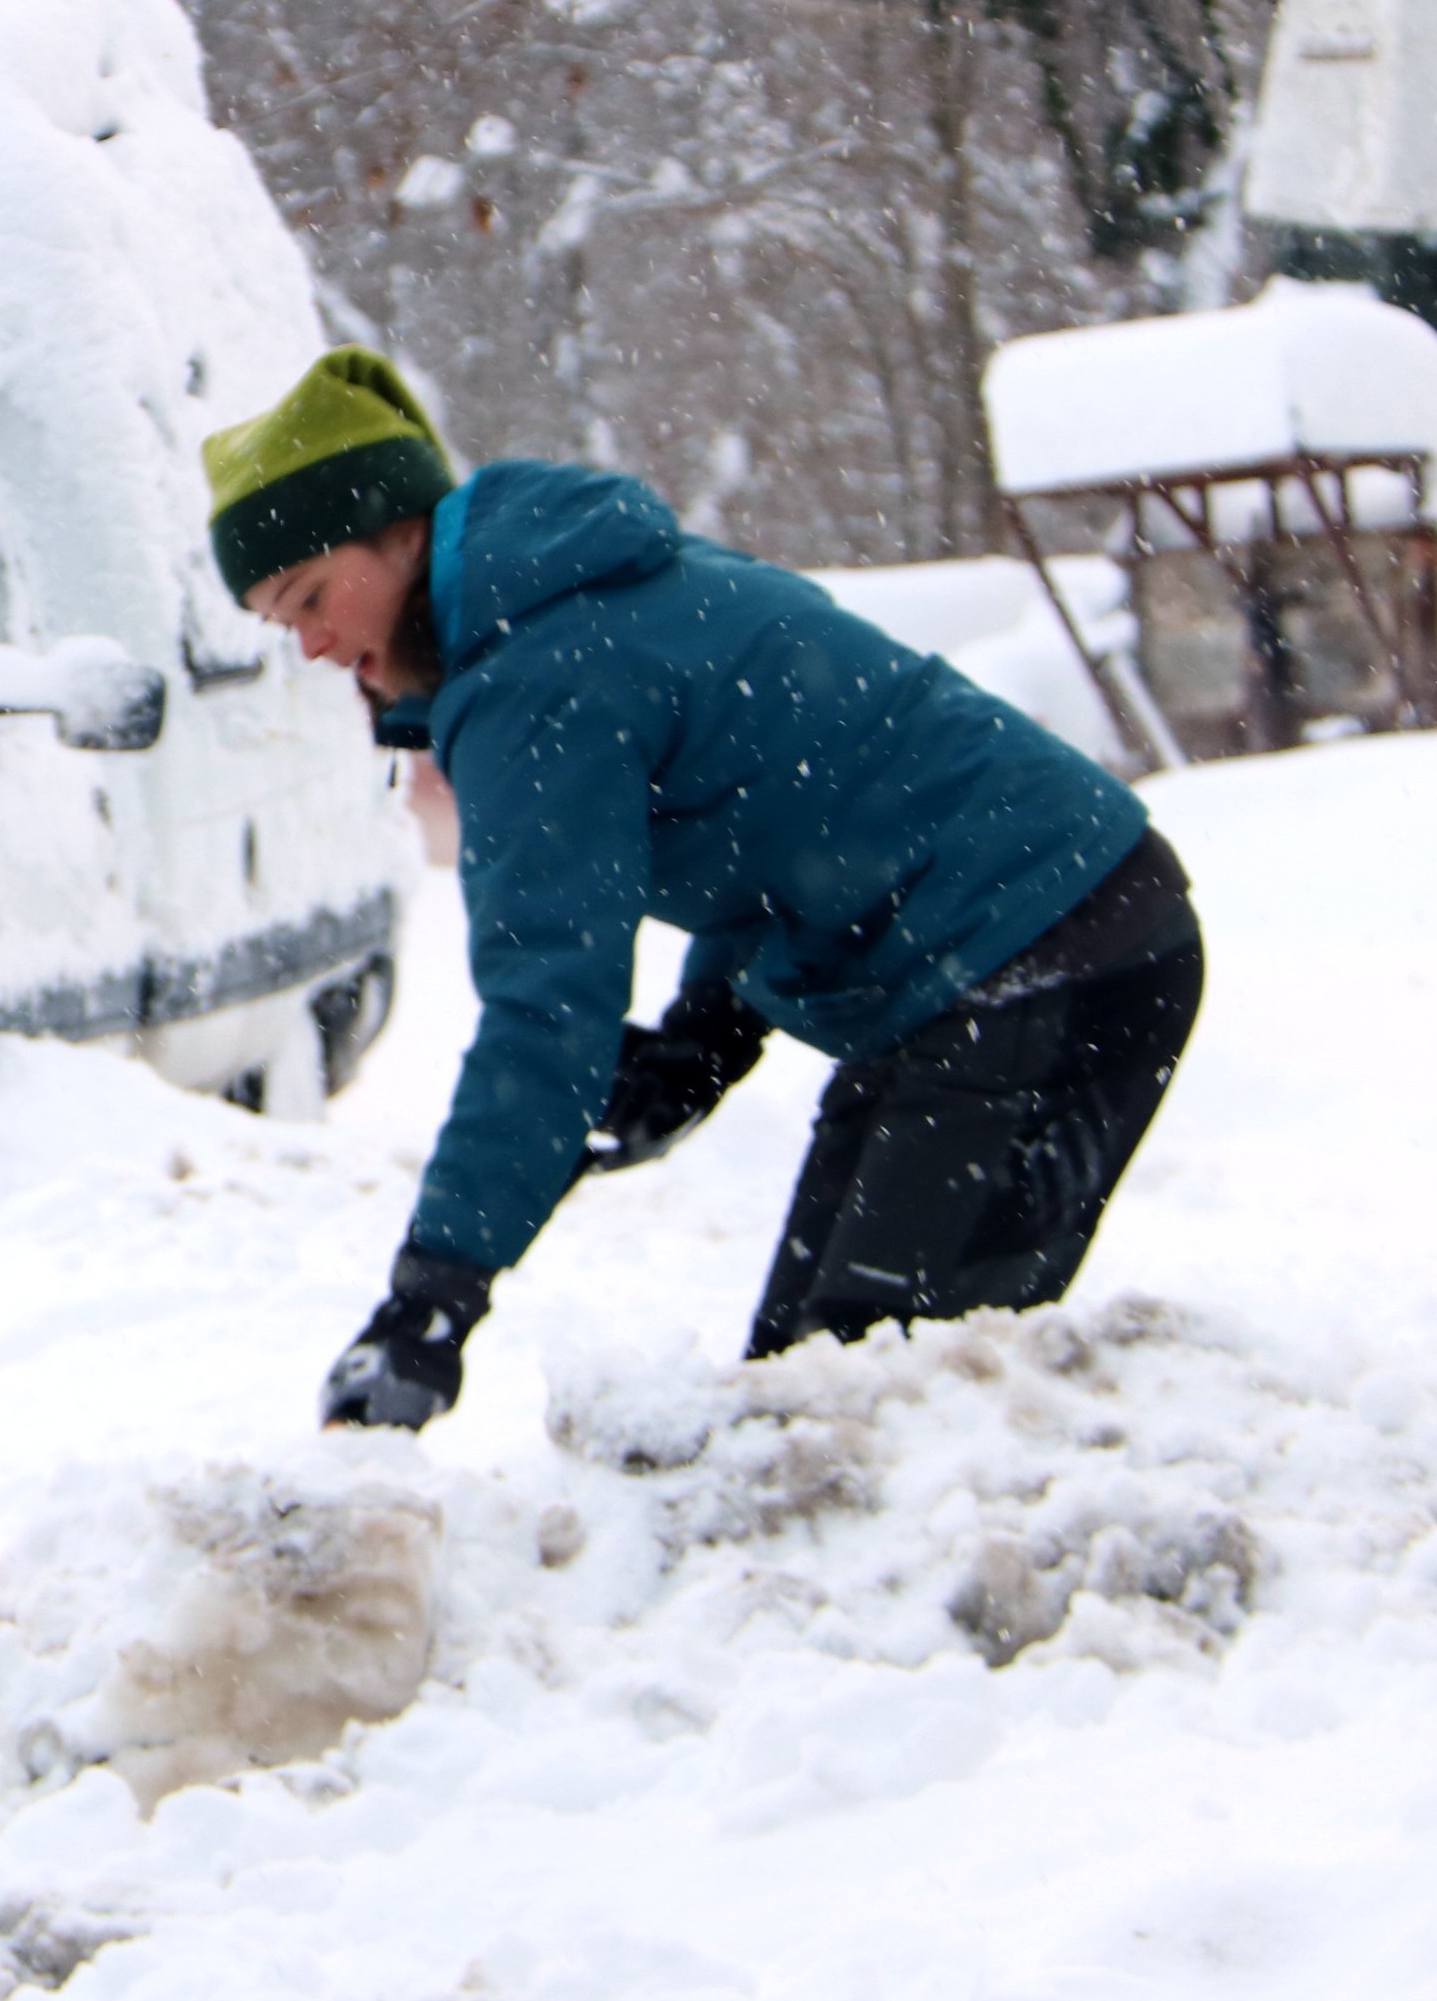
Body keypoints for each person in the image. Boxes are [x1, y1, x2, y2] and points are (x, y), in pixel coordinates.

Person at [203, 352, 1204, 1429]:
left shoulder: (535, 674)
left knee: (870, 1418)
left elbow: (547, 1011)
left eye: (311, 596)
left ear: (402, 531)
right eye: (278, 621)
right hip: (1000, 963)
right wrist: (703, 1038)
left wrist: (431, 1300)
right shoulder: (566, 594)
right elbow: (780, 819)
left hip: (1049, 957)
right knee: (808, 1396)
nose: (308, 645)